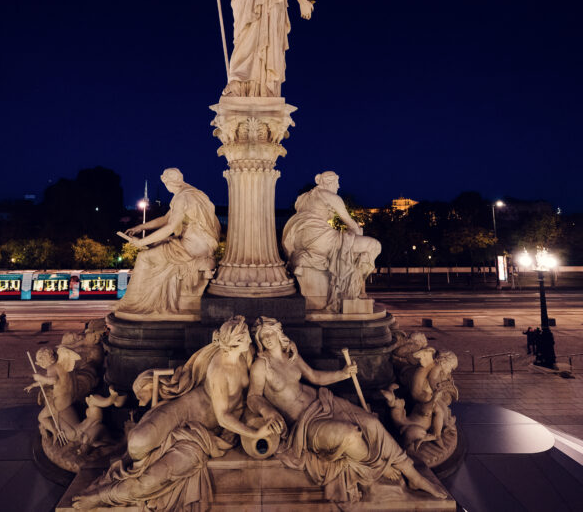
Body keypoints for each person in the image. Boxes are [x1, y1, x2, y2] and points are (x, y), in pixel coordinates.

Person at [73, 316, 276, 511]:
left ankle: (102, 496)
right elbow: (223, 416)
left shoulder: (245, 353)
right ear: (235, 342)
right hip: (180, 411)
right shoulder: (219, 370)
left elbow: (247, 397)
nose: (250, 338)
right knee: (136, 444)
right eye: (246, 336)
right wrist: (254, 433)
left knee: (152, 479)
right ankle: (124, 469)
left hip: (199, 435)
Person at [249, 317, 446, 502]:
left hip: (323, 402)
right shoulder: (261, 365)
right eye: (262, 336)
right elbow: (253, 397)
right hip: (305, 423)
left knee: (372, 423)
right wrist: (268, 411)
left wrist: (342, 374)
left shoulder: (290, 355)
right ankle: (377, 466)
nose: (267, 339)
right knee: (350, 435)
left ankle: (415, 477)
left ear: (278, 333)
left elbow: (315, 377)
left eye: (270, 333)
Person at [116, 168, 220, 316]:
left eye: (165, 183)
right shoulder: (192, 193)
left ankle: (134, 303)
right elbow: (166, 219)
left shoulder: (181, 198)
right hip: (204, 245)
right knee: (157, 244)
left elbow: (170, 226)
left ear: (169, 182)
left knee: (144, 257)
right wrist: (141, 227)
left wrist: (142, 242)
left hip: (191, 248)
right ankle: (147, 299)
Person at [281, 172, 381, 311]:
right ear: (328, 182)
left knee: (351, 246)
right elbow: (350, 223)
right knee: (374, 245)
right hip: (320, 238)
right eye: (336, 182)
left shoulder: (303, 198)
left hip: (299, 239)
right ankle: (351, 292)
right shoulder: (330, 196)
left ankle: (350, 286)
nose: (338, 186)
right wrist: (357, 232)